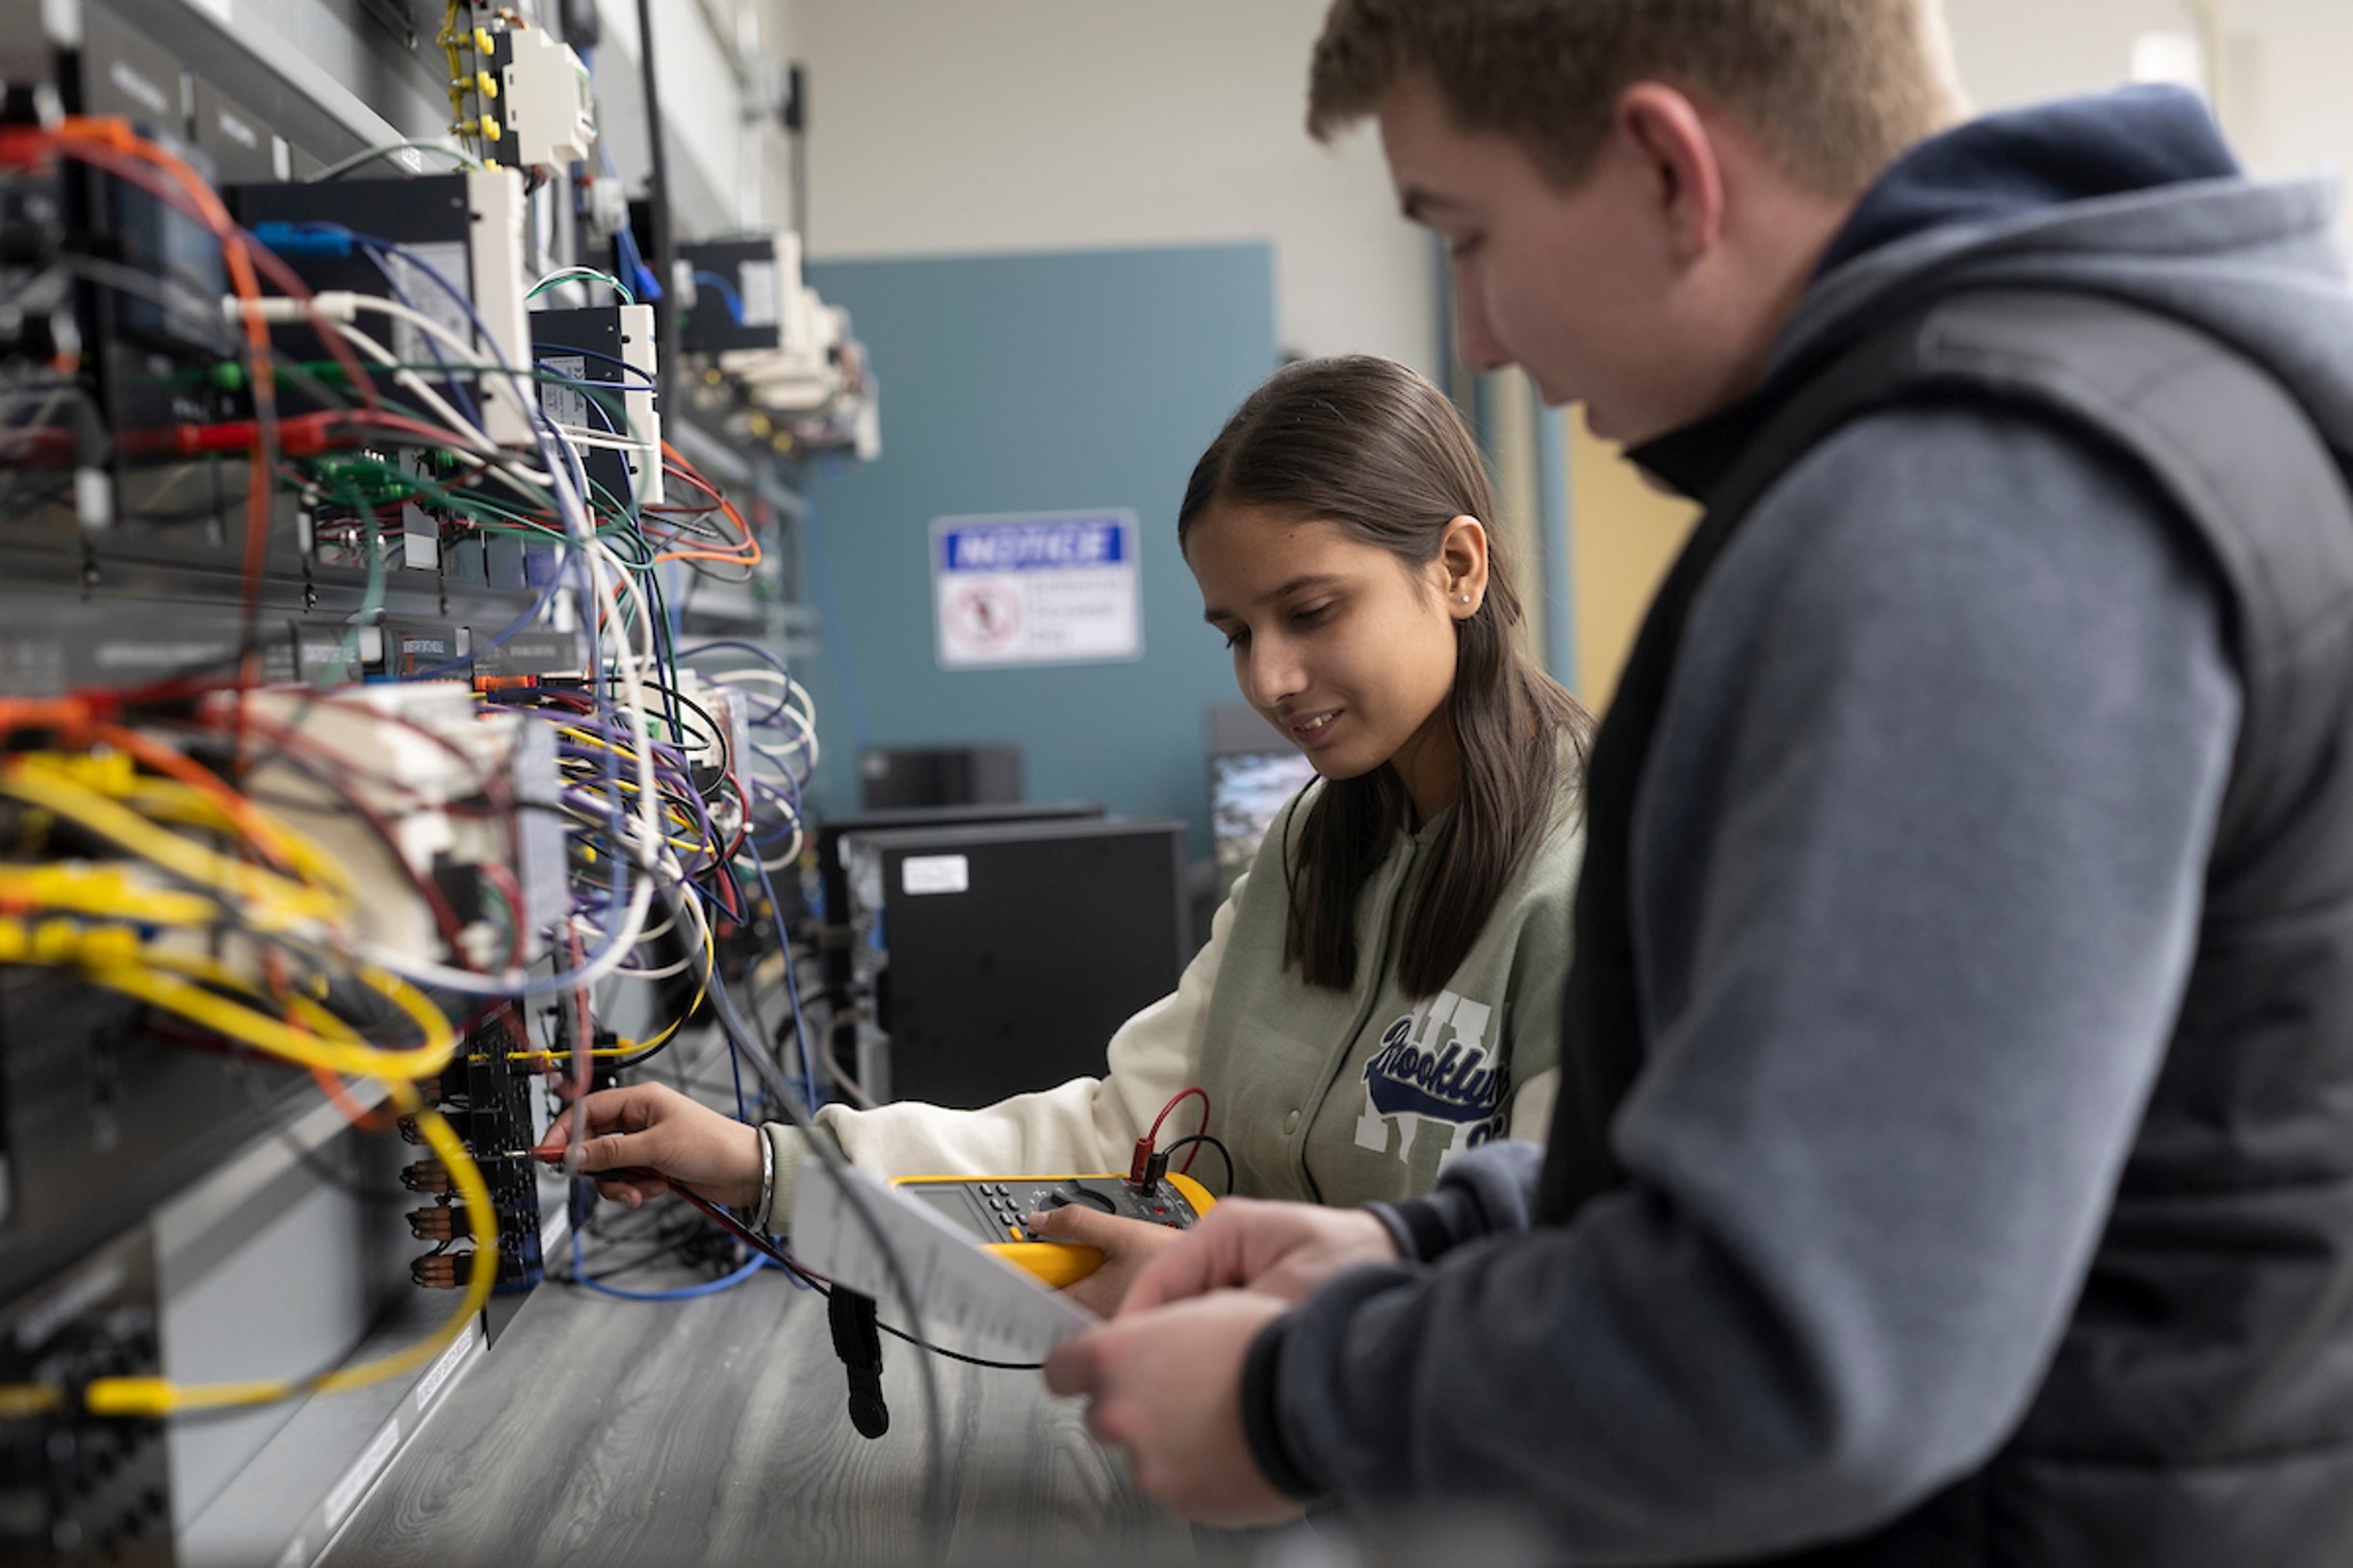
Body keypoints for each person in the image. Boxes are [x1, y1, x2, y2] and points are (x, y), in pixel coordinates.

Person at [1042, 2, 2353, 1563]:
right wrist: (1424, 1238)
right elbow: (1877, 1143)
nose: (1478, 333)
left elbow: (1806, 1342)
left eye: (1463, 235)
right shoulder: (2139, 402)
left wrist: (1295, 1396)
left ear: (1670, 167)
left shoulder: (1970, 514)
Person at [544, 354, 1593, 1313]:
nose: (1268, 678)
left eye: (1311, 611)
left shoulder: (1594, 868)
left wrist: (1243, 1301)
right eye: (1235, 634)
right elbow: (1117, 1135)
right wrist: (766, 1166)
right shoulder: (1313, 848)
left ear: (1456, 567)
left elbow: (1574, 1276)